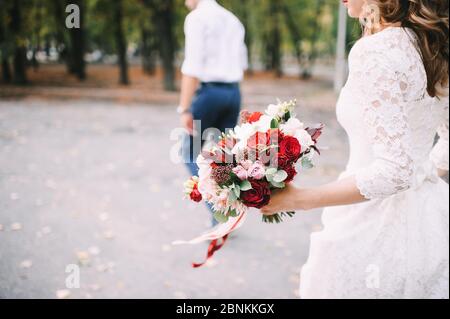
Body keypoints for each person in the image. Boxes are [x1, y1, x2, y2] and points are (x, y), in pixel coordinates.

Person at [261, 0, 449, 298]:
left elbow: (395, 171)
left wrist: (299, 199)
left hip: (372, 228)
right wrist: (424, 176)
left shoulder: (374, 52)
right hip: (432, 223)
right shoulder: (433, 45)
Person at [179, 0, 248, 225]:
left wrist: (185, 108)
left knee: (189, 152)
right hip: (233, 93)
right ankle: (229, 208)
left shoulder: (197, 18)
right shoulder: (233, 20)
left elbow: (192, 66)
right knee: (225, 158)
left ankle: (220, 212)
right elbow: (242, 63)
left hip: (210, 94)